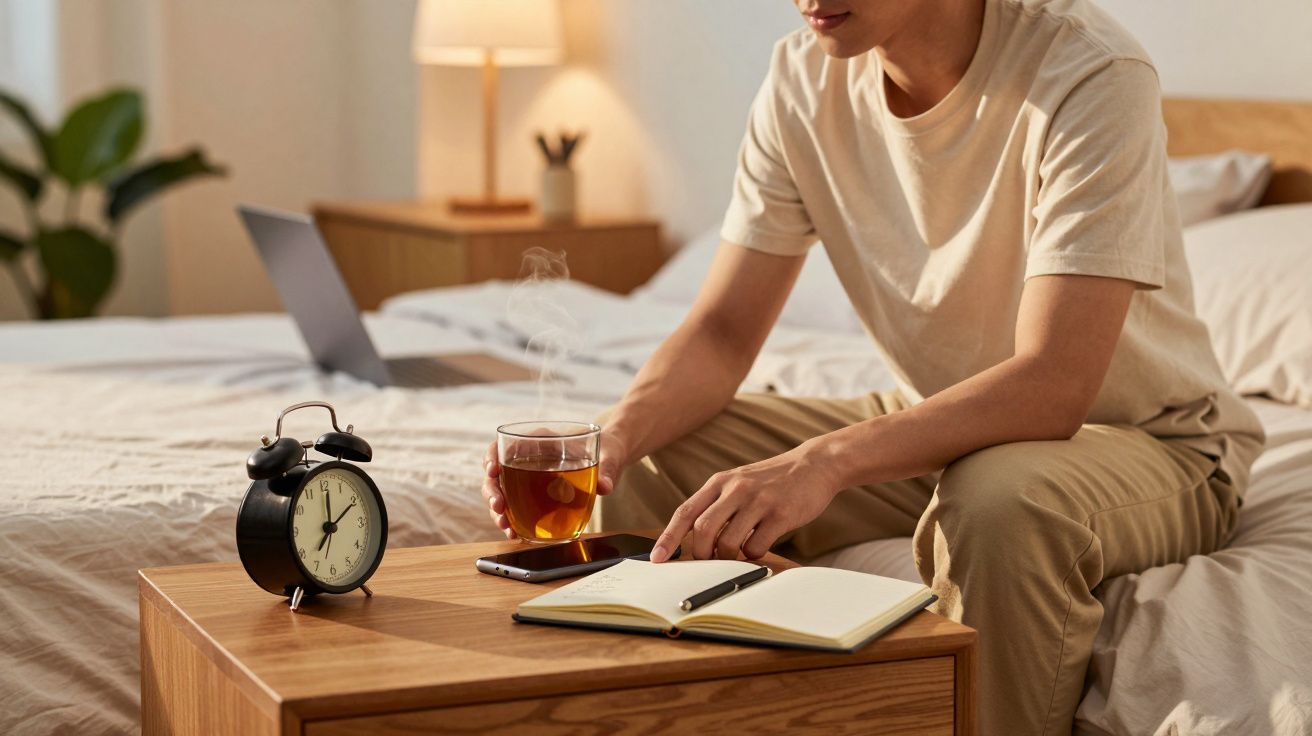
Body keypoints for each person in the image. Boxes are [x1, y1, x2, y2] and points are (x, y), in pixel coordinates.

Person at [481, 0, 1265, 732]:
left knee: (998, 503)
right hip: (941, 423)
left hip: (1147, 442)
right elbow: (722, 331)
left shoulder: (1089, 75)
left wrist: (822, 464)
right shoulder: (801, 81)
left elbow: (1053, 383)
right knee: (659, 459)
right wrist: (612, 438)